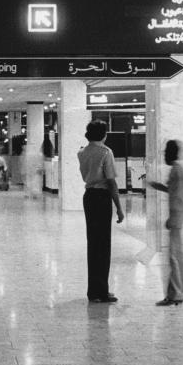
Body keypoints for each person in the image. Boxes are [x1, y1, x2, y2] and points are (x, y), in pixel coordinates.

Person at [78, 120, 125, 304]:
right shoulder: (106, 152)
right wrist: (119, 208)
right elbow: (111, 182)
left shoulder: (82, 152)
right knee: (103, 245)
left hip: (89, 196)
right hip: (102, 198)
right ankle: (102, 291)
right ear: (103, 134)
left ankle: (93, 291)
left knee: (93, 243)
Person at [147, 140, 183, 306]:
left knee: (174, 256)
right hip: (180, 215)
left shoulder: (176, 170)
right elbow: (174, 190)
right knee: (180, 255)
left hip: (177, 216)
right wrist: (158, 186)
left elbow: (177, 197)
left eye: (165, 152)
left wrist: (172, 218)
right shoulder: (180, 169)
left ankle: (175, 295)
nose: (163, 155)